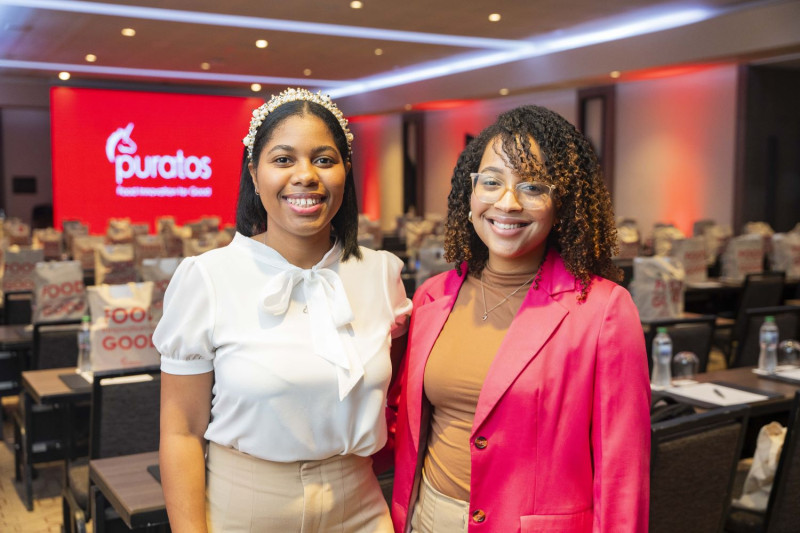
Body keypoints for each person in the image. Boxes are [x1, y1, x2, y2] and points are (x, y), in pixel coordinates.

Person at [155, 87, 411, 532]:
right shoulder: (207, 278)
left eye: (324, 160)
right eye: (283, 159)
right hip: (247, 506)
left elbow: (396, 399)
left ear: (345, 173)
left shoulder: (382, 274)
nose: (305, 175)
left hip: (360, 506)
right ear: (254, 174)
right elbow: (180, 434)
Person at [391, 105, 651, 533]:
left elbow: (622, 472)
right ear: (469, 194)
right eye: (491, 182)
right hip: (428, 517)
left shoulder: (603, 309)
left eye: (532, 186)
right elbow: (403, 425)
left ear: (562, 202)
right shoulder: (432, 296)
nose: (507, 203)